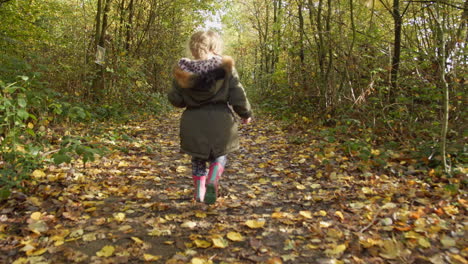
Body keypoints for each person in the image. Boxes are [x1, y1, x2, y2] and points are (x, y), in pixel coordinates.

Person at [168, 31, 252, 205]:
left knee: (197, 157)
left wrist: (180, 91)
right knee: (220, 153)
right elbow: (237, 93)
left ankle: (199, 191)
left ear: (193, 49)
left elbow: (176, 100)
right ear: (215, 47)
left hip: (193, 122)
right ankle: (213, 178)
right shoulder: (226, 69)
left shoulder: (183, 72)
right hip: (221, 122)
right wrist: (245, 113)